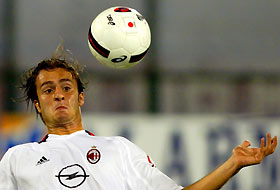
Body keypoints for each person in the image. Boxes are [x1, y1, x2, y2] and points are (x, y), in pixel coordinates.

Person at [0, 45, 277, 190]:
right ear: (37, 104)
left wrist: (233, 164)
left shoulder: (118, 150)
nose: (59, 95)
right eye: (48, 90)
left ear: (80, 97)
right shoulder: (17, 158)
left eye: (66, 87)